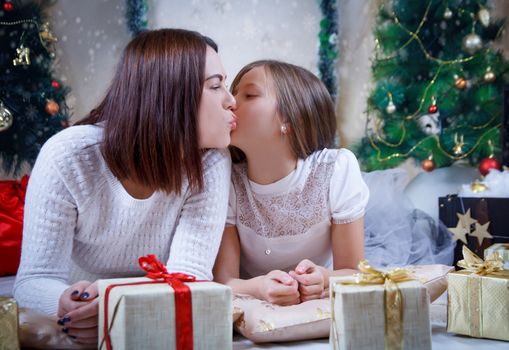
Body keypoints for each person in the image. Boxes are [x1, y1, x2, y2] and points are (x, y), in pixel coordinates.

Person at [13, 28, 237, 345]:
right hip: (74, 328)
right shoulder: (68, 157)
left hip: (154, 322)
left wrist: (110, 302)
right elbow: (34, 281)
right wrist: (67, 304)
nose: (232, 101)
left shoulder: (211, 162)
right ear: (170, 95)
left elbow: (189, 277)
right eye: (216, 86)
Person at [213, 60, 369, 306]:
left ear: (289, 119)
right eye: (234, 93)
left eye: (249, 94)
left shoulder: (335, 169)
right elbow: (225, 281)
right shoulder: (226, 179)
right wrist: (259, 287)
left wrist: (325, 279)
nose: (231, 102)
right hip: (253, 304)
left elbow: (353, 271)